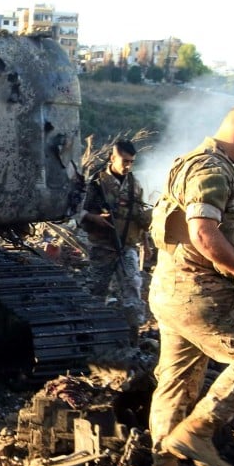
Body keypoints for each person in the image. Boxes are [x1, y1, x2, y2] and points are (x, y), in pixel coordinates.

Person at [144, 102, 234, 466]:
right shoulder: (211, 169)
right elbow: (203, 233)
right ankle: (197, 434)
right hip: (198, 291)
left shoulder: (194, 164)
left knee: (176, 382)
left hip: (170, 291)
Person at [80, 139, 152, 331]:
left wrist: (145, 242)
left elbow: (137, 214)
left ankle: (133, 334)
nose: (128, 166)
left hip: (127, 246)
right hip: (102, 246)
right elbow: (78, 210)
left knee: (133, 287)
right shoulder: (96, 183)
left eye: (131, 162)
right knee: (96, 290)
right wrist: (94, 218)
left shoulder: (134, 184)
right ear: (113, 158)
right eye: (124, 161)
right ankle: (92, 331)